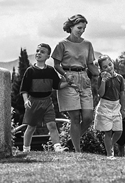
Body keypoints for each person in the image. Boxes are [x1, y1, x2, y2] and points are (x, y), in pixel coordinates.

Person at [52, 14, 99, 153]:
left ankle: (72, 140)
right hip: (68, 79)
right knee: (75, 117)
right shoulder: (62, 44)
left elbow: (90, 65)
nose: (82, 31)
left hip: (84, 78)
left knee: (88, 117)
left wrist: (102, 74)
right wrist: (66, 76)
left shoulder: (88, 44)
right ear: (71, 27)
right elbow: (56, 64)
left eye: (84, 28)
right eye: (79, 27)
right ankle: (77, 151)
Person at [20, 43, 74, 153]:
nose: (39, 53)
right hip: (33, 102)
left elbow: (57, 85)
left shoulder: (50, 71)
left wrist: (68, 83)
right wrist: (26, 101)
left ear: (48, 56)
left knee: (52, 125)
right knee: (31, 127)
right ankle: (26, 149)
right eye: (37, 51)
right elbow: (24, 89)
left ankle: (57, 147)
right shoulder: (30, 71)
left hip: (47, 102)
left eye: (42, 52)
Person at [93, 55, 125, 159]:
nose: (109, 68)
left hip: (116, 106)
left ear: (113, 63)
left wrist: (123, 108)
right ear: (101, 69)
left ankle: (110, 145)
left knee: (119, 131)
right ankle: (109, 154)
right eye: (105, 67)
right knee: (108, 131)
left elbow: (122, 94)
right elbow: (101, 94)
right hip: (105, 105)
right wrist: (103, 80)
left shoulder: (119, 78)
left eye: (110, 65)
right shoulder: (101, 78)